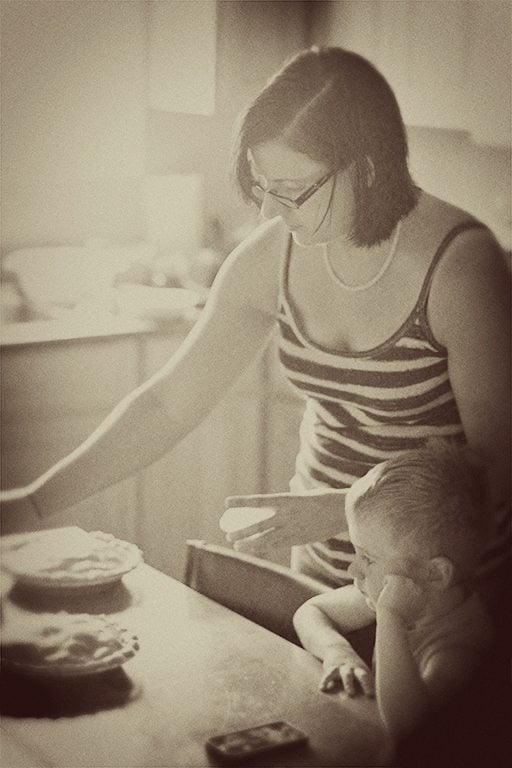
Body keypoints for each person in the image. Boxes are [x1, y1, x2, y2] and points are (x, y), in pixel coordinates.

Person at [1, 48, 510, 624]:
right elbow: (167, 405)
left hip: (445, 594)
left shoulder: (460, 268)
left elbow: (496, 466)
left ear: (365, 169)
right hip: (323, 580)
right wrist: (32, 503)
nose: (270, 208)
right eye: (262, 184)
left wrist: (342, 510)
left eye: (290, 188)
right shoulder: (273, 259)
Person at [293, 440, 496, 750]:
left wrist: (390, 618)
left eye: (368, 558)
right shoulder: (404, 594)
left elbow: (409, 729)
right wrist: (337, 652)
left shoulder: (460, 649)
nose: (352, 569)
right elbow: (311, 611)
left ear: (436, 574)